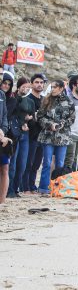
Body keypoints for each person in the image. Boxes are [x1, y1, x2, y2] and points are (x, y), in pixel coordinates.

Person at [36, 79, 75, 195]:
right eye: (51, 87)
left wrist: (62, 123)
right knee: (47, 163)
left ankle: (58, 188)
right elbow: (40, 117)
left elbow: (72, 118)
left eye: (55, 87)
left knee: (60, 164)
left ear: (61, 88)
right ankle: (43, 188)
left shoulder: (69, 102)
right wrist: (49, 124)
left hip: (62, 137)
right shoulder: (46, 100)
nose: (52, 89)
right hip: (48, 136)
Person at [7, 78, 35, 198]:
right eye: (24, 86)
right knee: (12, 164)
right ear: (18, 87)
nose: (26, 89)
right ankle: (9, 190)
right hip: (13, 134)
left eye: (28, 87)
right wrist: (23, 120)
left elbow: (32, 119)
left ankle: (16, 188)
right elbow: (10, 114)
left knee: (22, 164)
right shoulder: (13, 98)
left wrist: (29, 120)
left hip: (25, 134)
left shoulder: (30, 102)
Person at [23, 74, 46, 194]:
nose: (39, 84)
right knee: (28, 162)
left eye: (41, 82)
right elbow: (26, 118)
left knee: (37, 164)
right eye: (37, 82)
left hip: (42, 136)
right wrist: (34, 118)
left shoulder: (44, 100)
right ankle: (25, 186)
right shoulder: (28, 99)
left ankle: (32, 185)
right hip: (30, 135)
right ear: (32, 84)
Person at [63, 71, 78, 171]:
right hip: (70, 134)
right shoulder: (68, 99)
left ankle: (71, 184)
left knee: (74, 160)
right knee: (68, 161)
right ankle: (64, 184)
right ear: (73, 85)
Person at [0, 76, 10, 204]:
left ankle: (2, 201)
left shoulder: (2, 94)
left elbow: (5, 116)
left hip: (2, 136)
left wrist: (3, 130)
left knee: (4, 167)